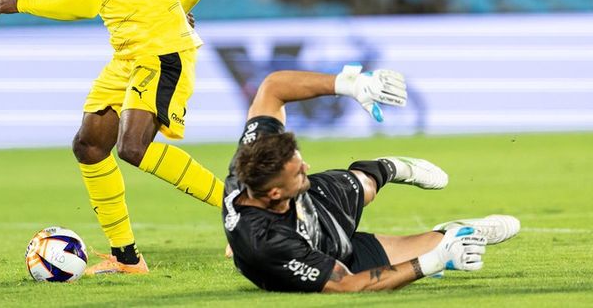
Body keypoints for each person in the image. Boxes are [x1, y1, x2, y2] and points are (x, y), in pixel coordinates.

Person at [0, 0, 223, 275]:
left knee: (133, 149)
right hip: (130, 54)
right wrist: (180, 11)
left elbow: (84, 3)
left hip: (161, 51)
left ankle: (245, 208)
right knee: (90, 144)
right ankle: (128, 258)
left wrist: (21, 2)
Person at [222, 64, 521, 292]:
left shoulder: (254, 157)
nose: (307, 167)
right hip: (325, 253)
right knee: (435, 248)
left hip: (315, 203)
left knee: (364, 184)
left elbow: (272, 87)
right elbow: (348, 285)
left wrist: (347, 84)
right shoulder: (269, 244)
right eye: (298, 171)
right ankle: (452, 233)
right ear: (274, 193)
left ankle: (392, 167)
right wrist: (437, 261)